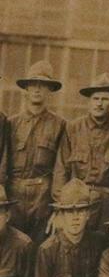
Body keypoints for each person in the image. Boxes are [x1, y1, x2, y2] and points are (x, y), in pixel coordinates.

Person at [58, 76, 109, 237]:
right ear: (89, 101)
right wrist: (60, 206)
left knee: (104, 244)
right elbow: (61, 169)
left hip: (107, 204)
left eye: (105, 99)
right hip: (77, 203)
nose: (99, 103)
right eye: (95, 98)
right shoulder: (73, 128)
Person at [11, 61, 67, 243]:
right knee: (12, 245)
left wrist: (58, 206)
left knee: (39, 246)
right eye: (33, 84)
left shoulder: (59, 125)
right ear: (26, 89)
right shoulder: (11, 123)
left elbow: (60, 168)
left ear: (49, 90)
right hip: (14, 194)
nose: (37, 89)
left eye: (42, 85)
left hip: (43, 196)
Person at [31, 182, 104, 277]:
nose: (75, 218)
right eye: (70, 211)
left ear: (88, 214)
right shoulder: (47, 250)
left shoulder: (100, 243)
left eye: (81, 211)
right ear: (61, 214)